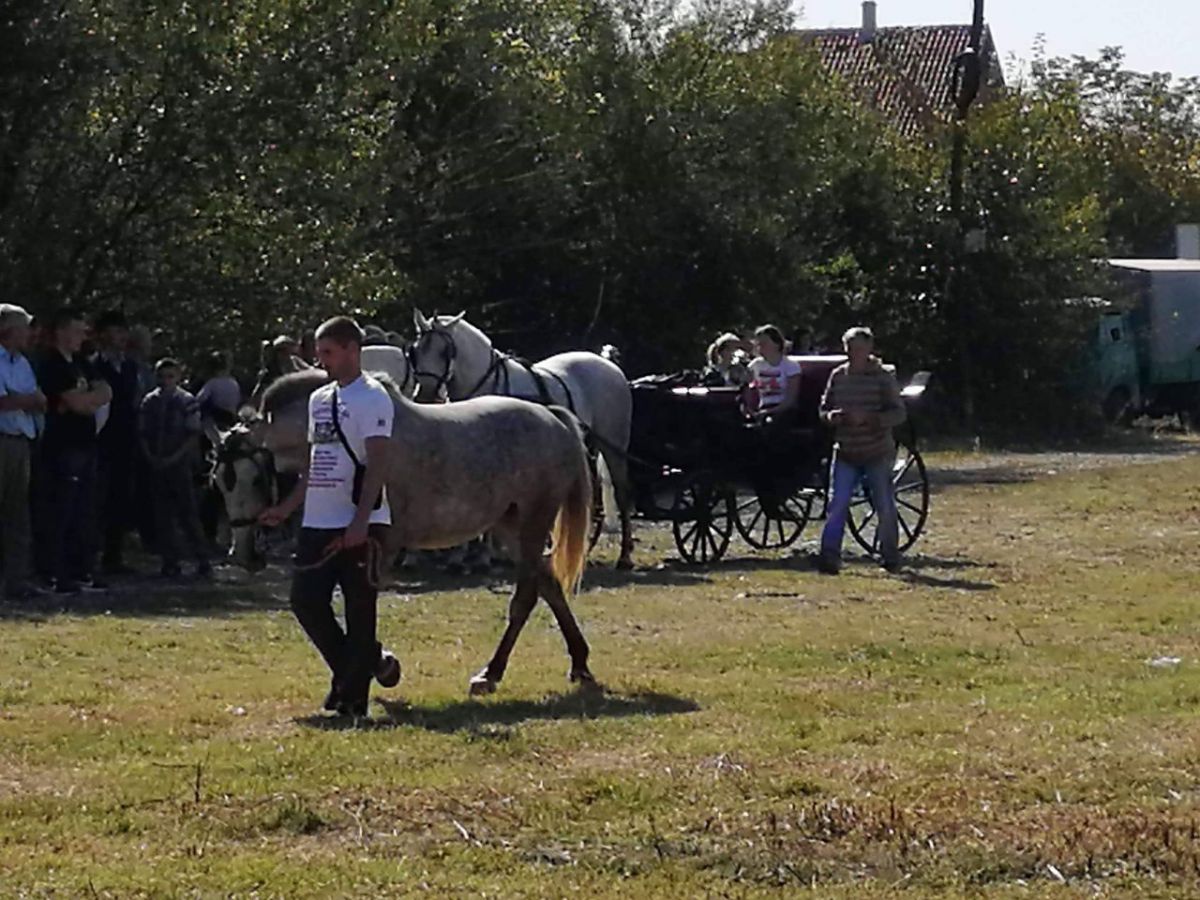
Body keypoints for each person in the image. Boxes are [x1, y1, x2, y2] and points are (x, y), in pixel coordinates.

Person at [257, 316, 400, 719]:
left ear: (352, 351)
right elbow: (316, 460)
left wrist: (360, 520)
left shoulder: (373, 398)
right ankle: (356, 670)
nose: (321, 362)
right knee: (305, 602)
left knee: (359, 609)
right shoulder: (319, 399)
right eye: (319, 353)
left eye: (328, 353)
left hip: (360, 521)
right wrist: (287, 507)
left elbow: (378, 463)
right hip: (317, 520)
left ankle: (352, 698)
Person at [35, 308, 113, 594]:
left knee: (84, 510)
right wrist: (83, 401)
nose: (83, 337)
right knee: (61, 509)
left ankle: (82, 570)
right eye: (79, 331)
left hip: (86, 442)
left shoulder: (80, 362)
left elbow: (106, 391)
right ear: (61, 331)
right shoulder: (51, 364)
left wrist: (84, 400)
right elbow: (77, 403)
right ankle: (55, 572)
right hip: (62, 446)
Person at [817, 326, 907, 574]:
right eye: (849, 348)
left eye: (858, 348)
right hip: (846, 449)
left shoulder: (882, 377)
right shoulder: (838, 375)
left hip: (876, 451)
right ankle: (829, 556)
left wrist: (870, 419)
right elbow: (824, 408)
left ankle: (890, 555)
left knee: (884, 504)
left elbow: (898, 413)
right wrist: (832, 417)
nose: (853, 353)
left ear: (869, 349)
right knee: (837, 503)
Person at [138, 358, 212, 579]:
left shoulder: (187, 401)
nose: (165, 381)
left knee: (188, 514)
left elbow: (193, 434)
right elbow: (142, 433)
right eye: (161, 376)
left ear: (178, 377)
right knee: (162, 516)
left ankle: (202, 559)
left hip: (180, 464)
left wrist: (175, 457)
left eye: (170, 376)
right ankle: (170, 560)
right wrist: (151, 456)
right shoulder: (149, 401)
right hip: (156, 463)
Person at [91, 310, 143, 575]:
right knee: (96, 497)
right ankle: (90, 555)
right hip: (101, 438)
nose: (121, 337)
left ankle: (114, 554)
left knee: (121, 497)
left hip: (126, 437)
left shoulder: (131, 367)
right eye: (115, 332)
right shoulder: (93, 365)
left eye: (123, 332)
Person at [0, 305, 47, 601]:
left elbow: (37, 400)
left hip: (20, 441)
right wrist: (27, 399)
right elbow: (3, 402)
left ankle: (17, 582)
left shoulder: (23, 364)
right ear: (7, 330)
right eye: (24, 326)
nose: (29, 332)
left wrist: (25, 400)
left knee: (17, 514)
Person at [745, 325, 802, 419]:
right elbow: (746, 386)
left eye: (764, 343)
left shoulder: (791, 366)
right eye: (758, 344)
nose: (760, 347)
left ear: (777, 344)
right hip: (763, 407)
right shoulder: (755, 365)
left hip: (784, 410)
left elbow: (791, 399)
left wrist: (769, 412)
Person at [196, 351, 241, 430]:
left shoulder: (212, 383)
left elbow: (199, 399)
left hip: (216, 422)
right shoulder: (234, 383)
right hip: (232, 419)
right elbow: (237, 400)